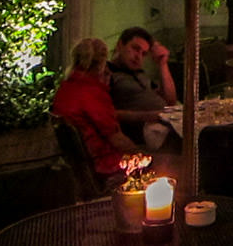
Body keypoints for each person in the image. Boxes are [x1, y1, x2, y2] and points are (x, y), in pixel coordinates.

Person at [52, 38, 139, 186]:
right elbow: (116, 138)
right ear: (101, 64)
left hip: (78, 164)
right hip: (102, 165)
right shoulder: (92, 92)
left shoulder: (66, 88)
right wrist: (142, 153)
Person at [107, 26, 177, 148]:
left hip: (167, 120)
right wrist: (149, 115)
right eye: (135, 48)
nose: (138, 56)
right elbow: (106, 113)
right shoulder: (107, 74)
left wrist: (162, 64)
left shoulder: (140, 73)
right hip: (145, 130)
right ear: (120, 45)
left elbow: (171, 100)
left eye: (144, 53)